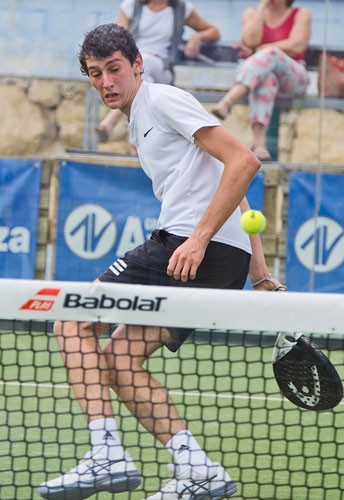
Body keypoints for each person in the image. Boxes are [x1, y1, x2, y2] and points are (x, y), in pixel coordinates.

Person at [38, 23, 284, 500]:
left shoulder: (162, 100)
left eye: (114, 69)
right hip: (216, 258)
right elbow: (227, 176)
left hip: (188, 247)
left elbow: (246, 161)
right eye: (95, 74)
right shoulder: (137, 120)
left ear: (137, 66)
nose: (106, 82)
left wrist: (197, 238)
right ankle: (199, 470)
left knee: (71, 319)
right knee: (118, 361)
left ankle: (105, 453)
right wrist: (258, 273)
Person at [95, 0, 220, 144]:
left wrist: (198, 37)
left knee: (142, 68)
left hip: (162, 68)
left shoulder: (181, 7)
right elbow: (117, 40)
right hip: (134, 67)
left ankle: (113, 125)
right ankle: (135, 144)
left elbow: (214, 31)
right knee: (140, 78)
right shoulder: (131, 6)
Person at [210, 0, 311, 161]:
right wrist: (263, 7)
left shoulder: (301, 14)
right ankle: (259, 144)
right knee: (266, 79)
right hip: (260, 78)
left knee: (271, 53)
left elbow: (297, 45)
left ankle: (229, 100)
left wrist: (263, 49)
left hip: (293, 78)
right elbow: (250, 40)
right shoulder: (251, 13)